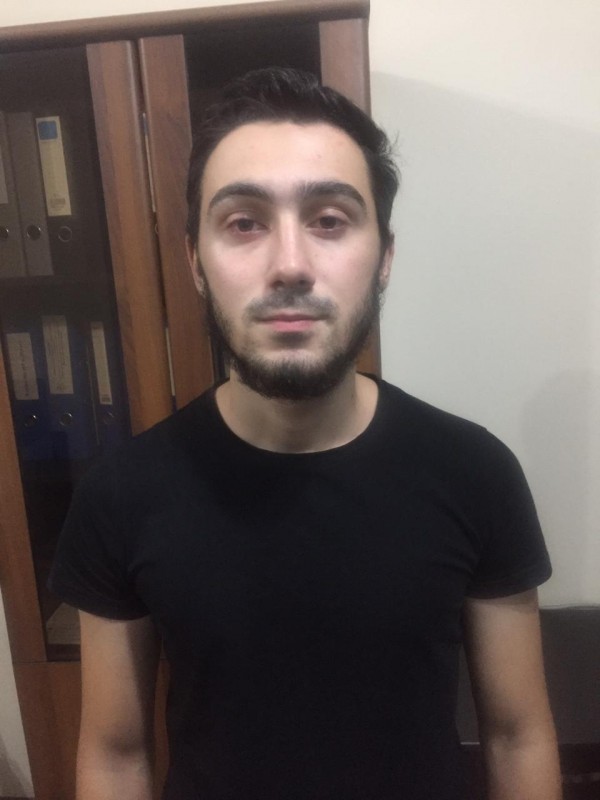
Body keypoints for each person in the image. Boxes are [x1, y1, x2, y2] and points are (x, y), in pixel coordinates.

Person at [50, 68, 562, 800]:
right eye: (244, 223)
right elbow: (114, 756)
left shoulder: (476, 473)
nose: (289, 265)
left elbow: (519, 735)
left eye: (329, 219)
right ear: (195, 263)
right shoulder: (120, 495)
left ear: (384, 259)